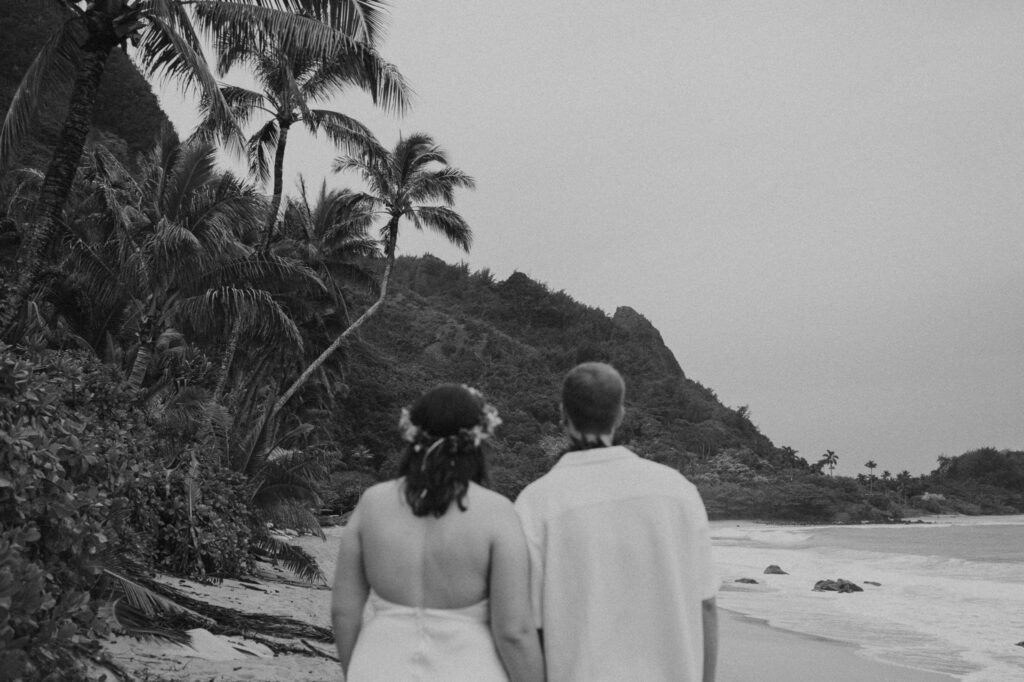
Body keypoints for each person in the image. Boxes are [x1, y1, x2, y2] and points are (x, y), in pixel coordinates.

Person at [515, 362, 718, 682]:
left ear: (562, 414)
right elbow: (706, 605)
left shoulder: (537, 502)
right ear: (620, 414)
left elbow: (526, 626)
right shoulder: (678, 491)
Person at [331, 384, 545, 682]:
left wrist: (358, 669)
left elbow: (343, 612)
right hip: (468, 670)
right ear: (479, 438)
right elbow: (513, 632)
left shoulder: (372, 503)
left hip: (378, 665)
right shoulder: (496, 512)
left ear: (413, 433)